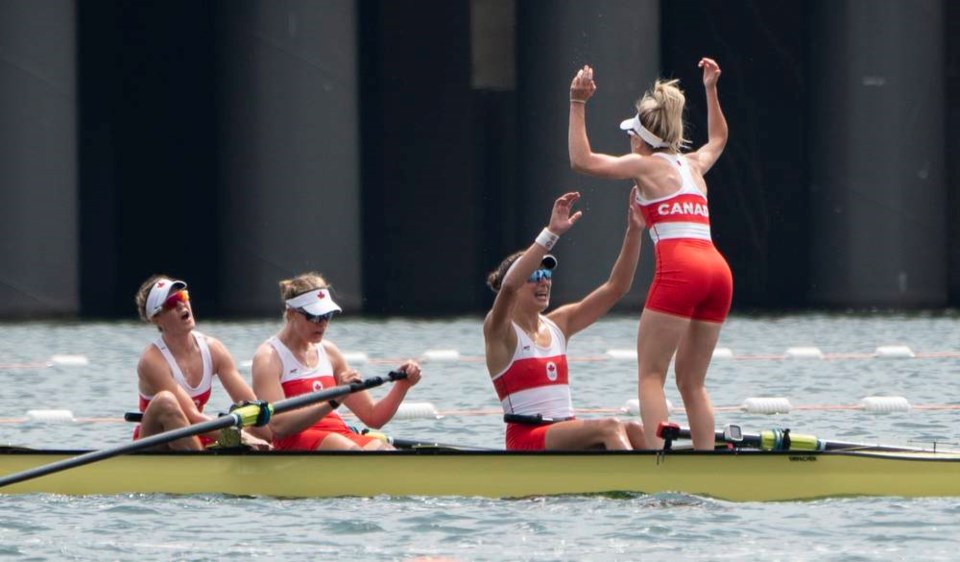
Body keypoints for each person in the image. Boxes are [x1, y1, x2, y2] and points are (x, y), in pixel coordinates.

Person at [568, 58, 732, 450]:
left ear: (640, 139)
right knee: (692, 382)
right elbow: (719, 139)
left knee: (650, 376)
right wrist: (710, 89)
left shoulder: (645, 166)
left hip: (682, 268)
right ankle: (707, 459)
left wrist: (577, 103)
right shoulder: (694, 164)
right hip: (718, 270)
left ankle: (660, 458)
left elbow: (582, 161)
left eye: (631, 136)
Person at [483, 190, 648, 451]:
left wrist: (635, 232)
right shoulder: (499, 330)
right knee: (611, 426)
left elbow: (617, 287)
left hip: (562, 434)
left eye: (547, 274)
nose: (544, 281)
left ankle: (665, 484)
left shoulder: (560, 324)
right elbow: (509, 288)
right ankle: (640, 486)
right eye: (535, 275)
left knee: (636, 429)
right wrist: (551, 233)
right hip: (526, 439)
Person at [251, 272, 422, 450]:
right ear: (292, 313)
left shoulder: (330, 352)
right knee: (347, 448)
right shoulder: (269, 357)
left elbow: (373, 417)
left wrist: (403, 385)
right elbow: (279, 426)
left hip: (339, 435)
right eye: (315, 317)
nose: (323, 324)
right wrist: (333, 400)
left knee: (384, 448)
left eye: (327, 315)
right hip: (296, 440)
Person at [134, 275, 272, 450]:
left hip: (192, 435)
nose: (181, 305)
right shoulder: (152, 360)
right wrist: (245, 439)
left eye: (182, 296)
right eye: (170, 303)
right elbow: (191, 416)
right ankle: (202, 470)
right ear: (156, 318)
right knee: (165, 401)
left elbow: (252, 405)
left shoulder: (214, 349)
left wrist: (267, 437)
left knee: (261, 426)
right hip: (155, 443)